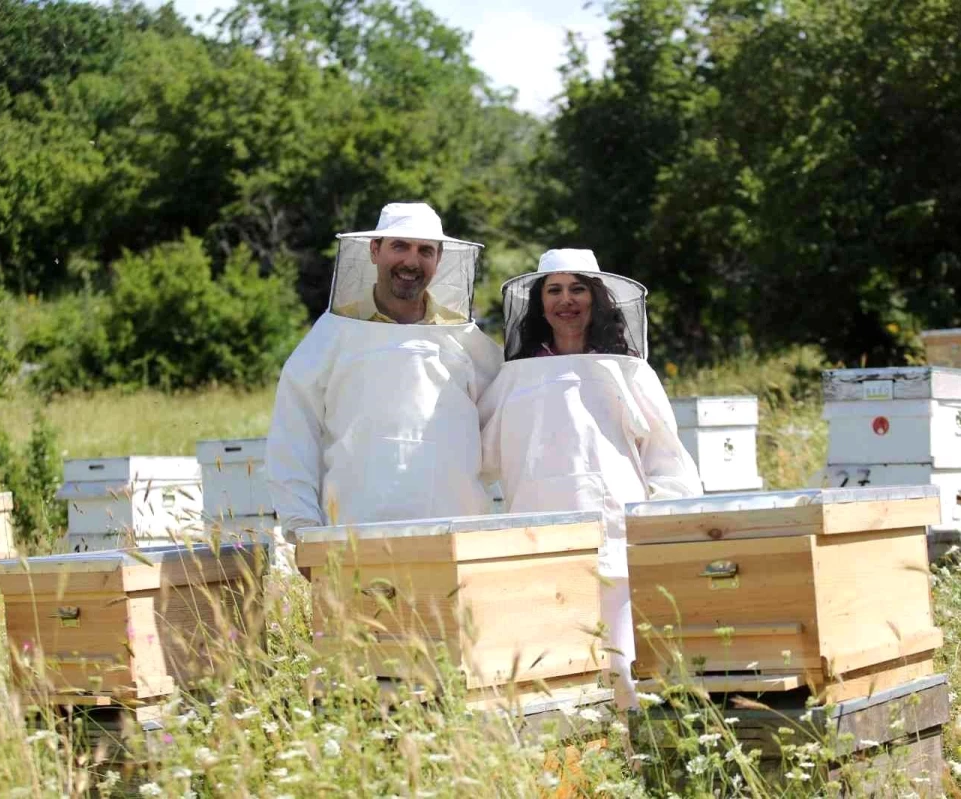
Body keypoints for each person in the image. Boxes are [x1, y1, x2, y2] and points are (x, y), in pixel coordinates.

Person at [478, 248, 702, 707]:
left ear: (597, 298)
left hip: (617, 545)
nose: (567, 300)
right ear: (539, 303)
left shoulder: (630, 372)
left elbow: (668, 462)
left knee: (624, 667)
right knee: (550, 673)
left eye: (578, 288)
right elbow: (481, 460)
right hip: (539, 547)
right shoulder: (514, 377)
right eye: (554, 289)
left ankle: (636, 758)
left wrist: (664, 537)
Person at [267, 202, 503, 536]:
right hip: (353, 536)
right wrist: (302, 526)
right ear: (374, 251)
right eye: (400, 246)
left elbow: (505, 430)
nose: (411, 261)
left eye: (425, 250)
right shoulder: (335, 332)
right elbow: (293, 434)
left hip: (458, 536)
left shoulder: (463, 338)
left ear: (439, 258)